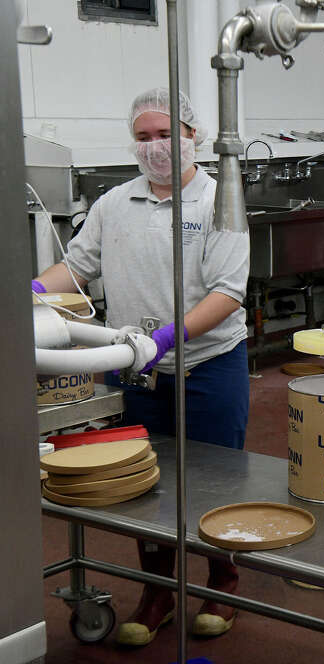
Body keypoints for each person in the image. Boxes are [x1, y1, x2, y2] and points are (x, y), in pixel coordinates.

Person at [32, 87, 250, 645]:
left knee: (214, 478)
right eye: (144, 137)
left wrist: (170, 336)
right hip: (137, 370)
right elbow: (78, 267)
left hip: (209, 365)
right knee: (142, 481)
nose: (155, 147)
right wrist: (30, 289)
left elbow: (228, 293)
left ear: (192, 135)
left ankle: (223, 581)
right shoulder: (114, 204)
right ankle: (158, 591)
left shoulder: (218, 201)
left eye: (165, 134)